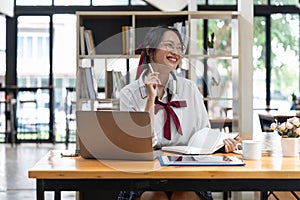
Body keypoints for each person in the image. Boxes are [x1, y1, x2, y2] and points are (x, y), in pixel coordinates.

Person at [118, 26, 241, 200]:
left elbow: (203, 132)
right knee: (155, 197)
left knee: (183, 197)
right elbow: (138, 145)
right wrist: (150, 101)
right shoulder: (128, 94)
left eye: (179, 48)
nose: (175, 52)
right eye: (169, 45)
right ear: (149, 50)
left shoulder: (189, 88)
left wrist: (221, 143)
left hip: (188, 172)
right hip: (145, 174)